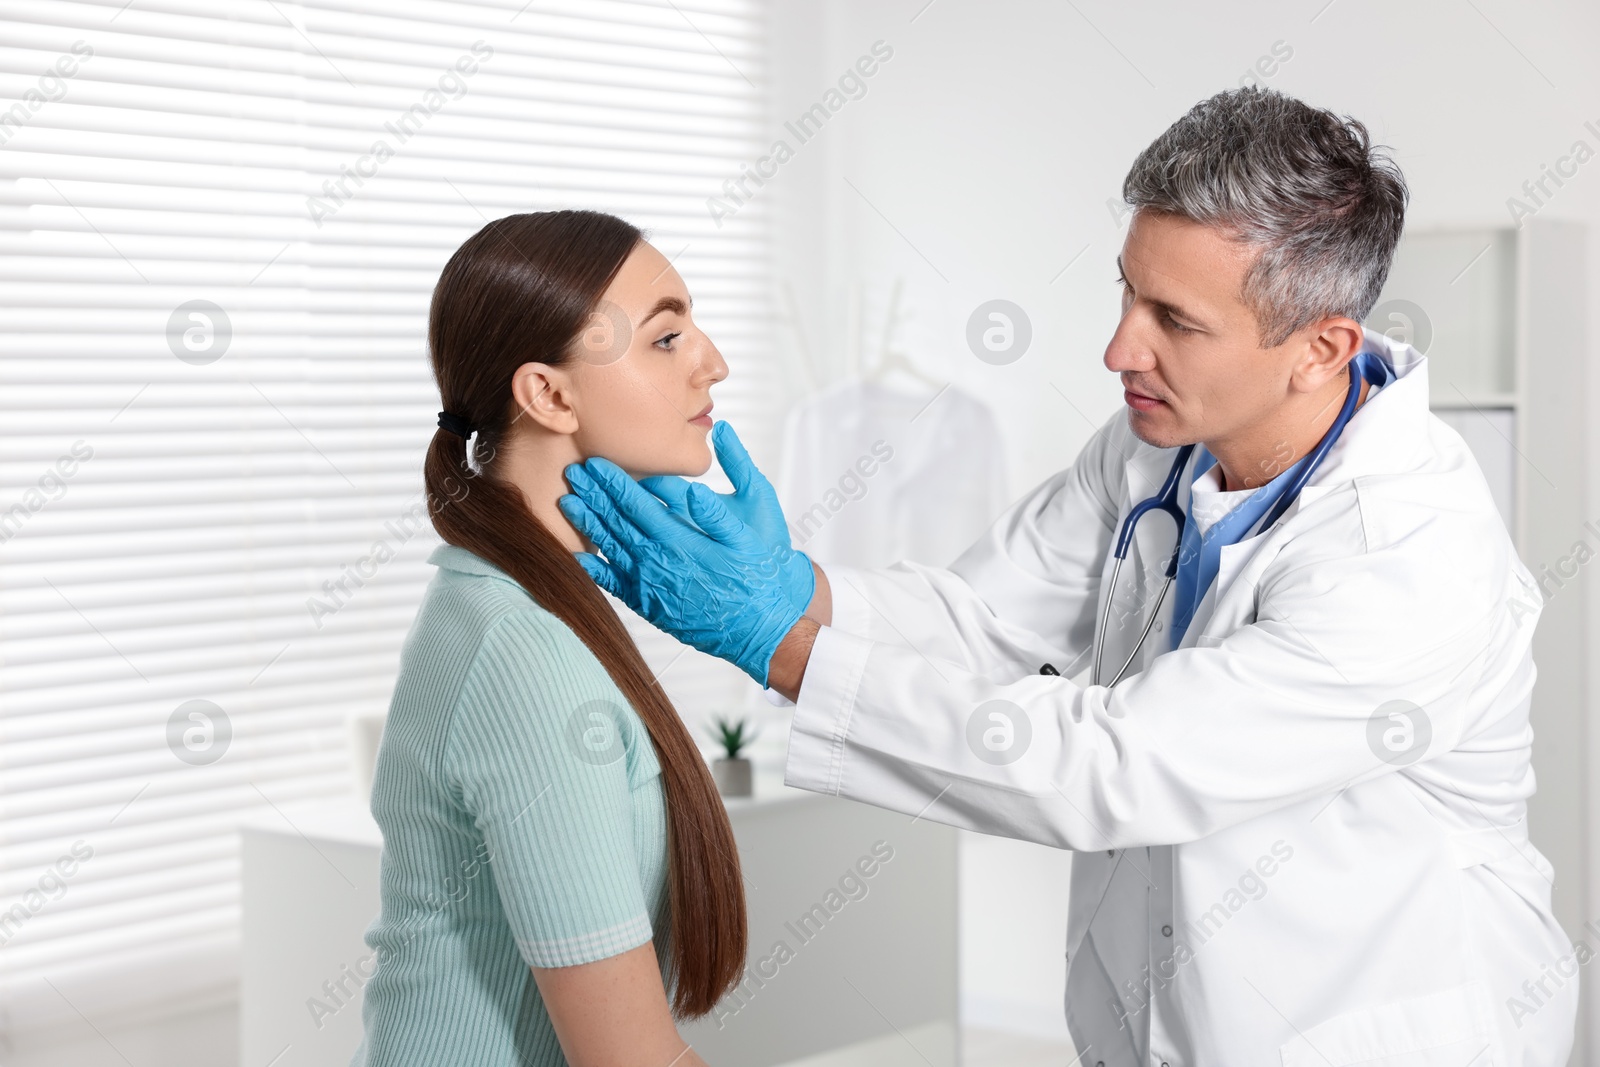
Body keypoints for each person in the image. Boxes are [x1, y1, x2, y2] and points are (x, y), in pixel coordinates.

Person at [559, 89, 1579, 1064]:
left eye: (1174, 321)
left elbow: (1116, 764)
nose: (1117, 347)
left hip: (1372, 1030)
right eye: (1126, 292)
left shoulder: (1410, 552)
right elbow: (976, 619)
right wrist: (790, 586)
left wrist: (777, 643)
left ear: (1320, 349)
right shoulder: (1154, 448)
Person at [354, 210, 749, 1067]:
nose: (711, 362)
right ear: (550, 395)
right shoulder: (522, 652)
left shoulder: (500, 597)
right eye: (667, 337)